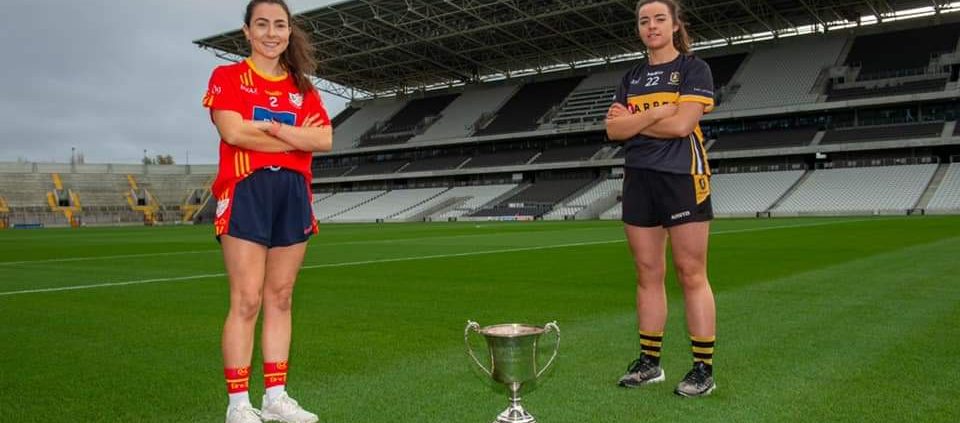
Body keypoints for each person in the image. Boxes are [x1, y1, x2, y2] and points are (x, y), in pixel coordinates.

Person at [201, 0, 332, 421]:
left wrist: (270, 130)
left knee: (281, 296)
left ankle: (275, 398)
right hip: (246, 189)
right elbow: (233, 132)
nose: (271, 33)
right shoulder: (228, 77)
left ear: (289, 31)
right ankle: (239, 405)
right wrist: (294, 139)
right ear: (247, 31)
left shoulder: (303, 88)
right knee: (246, 299)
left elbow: (325, 139)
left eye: (279, 25)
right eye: (262, 24)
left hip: (293, 192)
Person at [605, 0, 717, 398]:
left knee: (690, 272)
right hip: (639, 177)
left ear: (674, 25)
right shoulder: (631, 77)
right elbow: (613, 132)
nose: (651, 26)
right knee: (647, 273)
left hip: (682, 176)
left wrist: (633, 121)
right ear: (638, 29)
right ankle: (650, 363)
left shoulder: (693, 69)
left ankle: (703, 369)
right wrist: (655, 115)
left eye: (659, 19)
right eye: (643, 21)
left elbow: (683, 125)